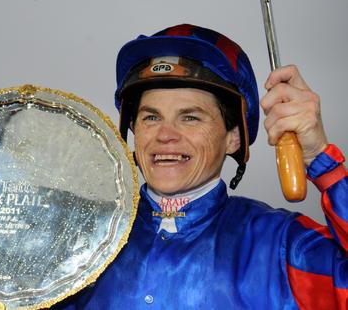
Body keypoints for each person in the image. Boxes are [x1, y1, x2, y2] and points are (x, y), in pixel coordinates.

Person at [56, 24, 347, 308]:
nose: (165, 135)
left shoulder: (284, 246)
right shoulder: (80, 238)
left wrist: (321, 160)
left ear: (233, 138)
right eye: (151, 117)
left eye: (190, 117)